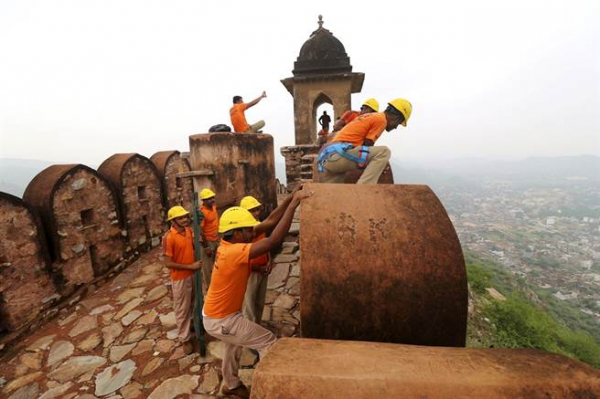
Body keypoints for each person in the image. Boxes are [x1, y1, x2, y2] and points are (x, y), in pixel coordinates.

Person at [203, 188, 313, 398]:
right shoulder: (233, 252)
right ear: (236, 233)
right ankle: (268, 390)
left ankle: (231, 385)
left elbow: (271, 222)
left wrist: (291, 197)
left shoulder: (228, 243)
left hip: (218, 315)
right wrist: (293, 205)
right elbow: (272, 241)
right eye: (247, 230)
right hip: (222, 319)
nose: (252, 233)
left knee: (233, 345)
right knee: (268, 341)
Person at [318, 98, 412, 185]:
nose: (395, 127)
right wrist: (376, 166)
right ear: (396, 117)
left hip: (327, 158)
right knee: (384, 152)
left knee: (334, 193)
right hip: (338, 156)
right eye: (398, 124)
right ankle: (365, 188)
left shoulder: (369, 116)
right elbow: (367, 146)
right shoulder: (381, 120)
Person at [240, 192, 299, 325]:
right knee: (249, 305)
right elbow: (272, 221)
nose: (256, 213)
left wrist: (269, 260)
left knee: (259, 303)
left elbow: (266, 243)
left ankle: (257, 327)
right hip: (251, 272)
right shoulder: (247, 231)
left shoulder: (257, 224)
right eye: (252, 210)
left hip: (262, 269)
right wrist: (291, 202)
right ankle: (249, 335)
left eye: (257, 209)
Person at [162, 206, 202, 355]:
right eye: (180, 218)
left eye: (185, 217)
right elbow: (168, 263)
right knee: (181, 309)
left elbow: (192, 247)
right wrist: (190, 266)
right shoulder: (169, 237)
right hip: (180, 278)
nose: (185, 220)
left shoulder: (189, 232)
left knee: (193, 303)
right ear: (173, 221)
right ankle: (184, 339)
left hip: (193, 274)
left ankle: (192, 325)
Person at [199, 188, 219, 291]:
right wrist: (206, 246)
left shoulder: (213, 207)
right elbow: (201, 231)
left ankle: (217, 283)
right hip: (208, 242)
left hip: (216, 239)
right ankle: (210, 288)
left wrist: (230, 203)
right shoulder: (202, 213)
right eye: (209, 198)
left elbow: (219, 206)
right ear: (204, 201)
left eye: (212, 197)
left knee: (217, 263)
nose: (212, 200)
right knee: (207, 267)